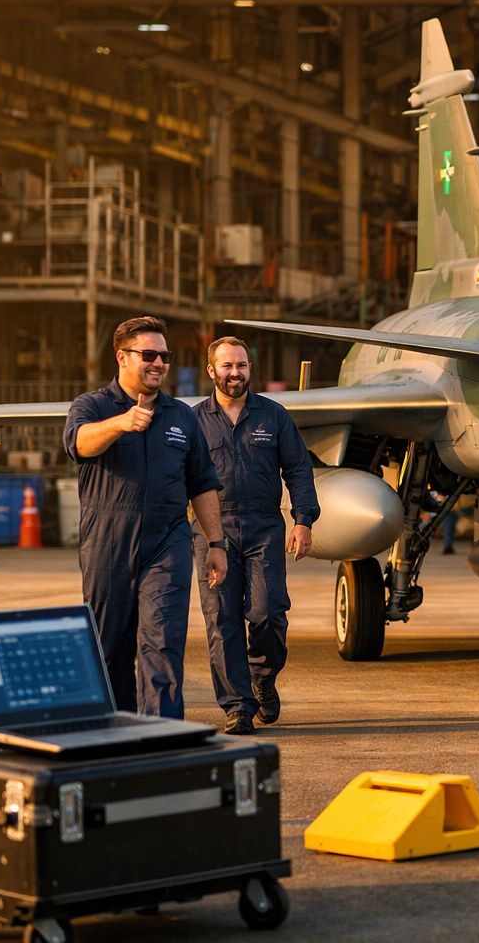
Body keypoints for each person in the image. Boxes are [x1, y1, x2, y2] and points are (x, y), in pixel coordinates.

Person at [64, 315, 226, 716]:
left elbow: (202, 483)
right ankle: (114, 730)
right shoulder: (92, 406)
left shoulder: (182, 416)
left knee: (163, 643)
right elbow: (79, 443)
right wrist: (120, 424)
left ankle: (161, 735)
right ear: (122, 357)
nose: (158, 364)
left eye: (165, 356)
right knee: (108, 646)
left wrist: (217, 543)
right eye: (149, 355)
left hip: (166, 543)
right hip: (108, 543)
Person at [191, 337, 319, 735]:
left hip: (264, 527)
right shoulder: (193, 421)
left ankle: (262, 676)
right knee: (221, 619)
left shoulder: (274, 417)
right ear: (211, 370)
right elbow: (174, 477)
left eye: (242, 365)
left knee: (268, 614)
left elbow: (298, 468)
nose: (235, 373)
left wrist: (303, 520)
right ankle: (237, 707)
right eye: (227, 366)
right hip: (213, 532)